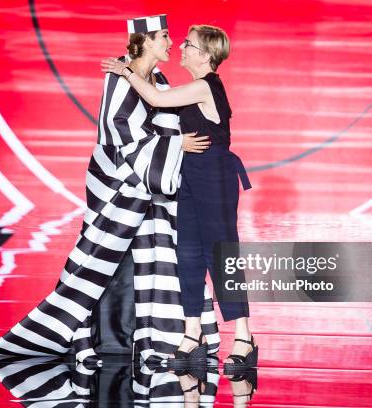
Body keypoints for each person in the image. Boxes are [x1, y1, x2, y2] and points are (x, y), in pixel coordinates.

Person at [0, 14, 222, 365]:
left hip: (147, 194)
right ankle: (96, 343)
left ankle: (160, 342)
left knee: (154, 264)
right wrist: (175, 147)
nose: (171, 43)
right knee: (99, 265)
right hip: (119, 190)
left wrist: (175, 145)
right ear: (144, 40)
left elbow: (163, 120)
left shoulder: (156, 80)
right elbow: (118, 136)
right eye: (163, 36)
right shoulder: (118, 81)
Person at [101, 24, 257, 372]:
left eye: (188, 45)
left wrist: (125, 69)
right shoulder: (191, 87)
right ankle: (192, 333)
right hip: (189, 175)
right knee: (187, 254)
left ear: (204, 55)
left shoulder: (204, 86)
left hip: (214, 175)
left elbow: (155, 99)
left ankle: (244, 336)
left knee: (220, 254)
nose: (181, 48)